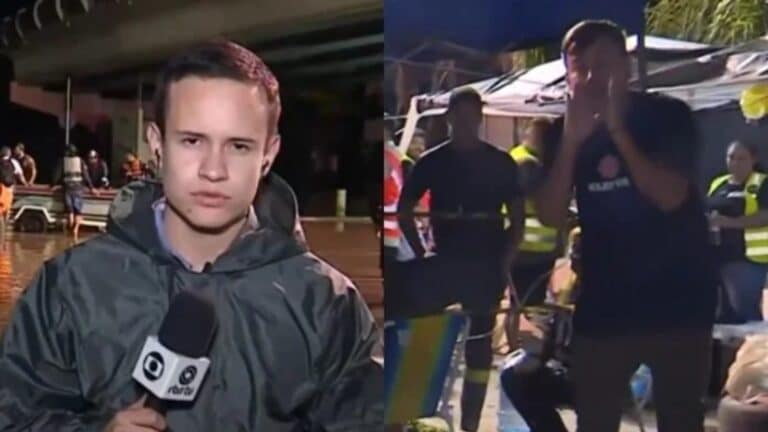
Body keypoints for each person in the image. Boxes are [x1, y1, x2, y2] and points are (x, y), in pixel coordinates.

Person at [0, 40, 382, 431]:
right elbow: (16, 418)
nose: (213, 170)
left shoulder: (326, 304)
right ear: (156, 145)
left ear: (268, 155)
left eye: (238, 145)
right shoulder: (68, 288)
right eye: (192, 141)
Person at [533, 20, 717, 432]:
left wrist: (617, 131)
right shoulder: (562, 133)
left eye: (603, 64)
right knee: (595, 419)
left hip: (679, 302)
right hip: (606, 306)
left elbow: (671, 196)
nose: (591, 78)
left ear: (627, 67)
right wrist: (571, 144)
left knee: (681, 420)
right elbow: (548, 214)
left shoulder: (668, 117)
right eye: (579, 68)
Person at [397, 88, 524, 432]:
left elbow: (518, 219)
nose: (467, 124)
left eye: (473, 117)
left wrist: (505, 262)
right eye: (461, 117)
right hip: (444, 265)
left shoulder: (500, 162)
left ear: (480, 119)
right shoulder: (433, 161)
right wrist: (422, 256)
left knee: (480, 348)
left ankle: (470, 424)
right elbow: (404, 209)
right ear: (450, 118)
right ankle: (411, 414)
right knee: (425, 336)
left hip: (486, 266)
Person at [708, 140, 768, 322]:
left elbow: (765, 216)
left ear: (753, 159)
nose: (735, 163)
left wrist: (729, 222)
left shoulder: (762, 183)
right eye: (731, 158)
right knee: (726, 317)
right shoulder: (719, 183)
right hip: (721, 257)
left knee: (746, 312)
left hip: (750, 258)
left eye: (741, 159)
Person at [506, 118, 563, 306]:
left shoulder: (527, 157)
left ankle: (516, 334)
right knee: (525, 303)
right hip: (526, 247)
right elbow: (539, 197)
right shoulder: (527, 162)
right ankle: (516, 335)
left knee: (521, 302)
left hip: (535, 247)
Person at [52, 145, 97, 240]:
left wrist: (53, 184)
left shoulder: (63, 161)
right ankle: (76, 229)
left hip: (68, 188)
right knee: (78, 211)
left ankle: (69, 229)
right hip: (78, 188)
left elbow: (57, 174)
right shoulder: (80, 161)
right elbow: (86, 175)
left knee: (70, 211)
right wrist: (91, 188)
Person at [0, 146, 26, 243]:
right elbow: (20, 175)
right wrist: (26, 184)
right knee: (6, 210)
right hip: (8, 190)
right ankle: (4, 231)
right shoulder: (13, 162)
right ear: (9, 154)